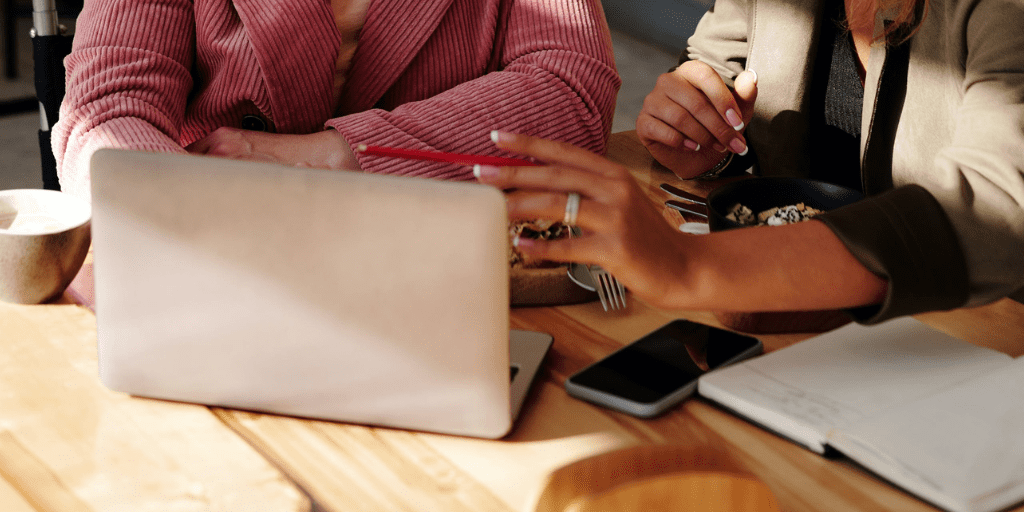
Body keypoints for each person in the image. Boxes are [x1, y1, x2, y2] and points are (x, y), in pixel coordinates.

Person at [473, 0, 1024, 324]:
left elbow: (997, 210)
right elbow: (713, 66)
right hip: (812, 336)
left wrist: (690, 266)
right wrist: (694, 128)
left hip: (981, 338)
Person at [53, 0, 620, 202]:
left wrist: (330, 157)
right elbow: (106, 111)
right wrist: (193, 211)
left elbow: (571, 92)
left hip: (431, 270)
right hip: (210, 253)